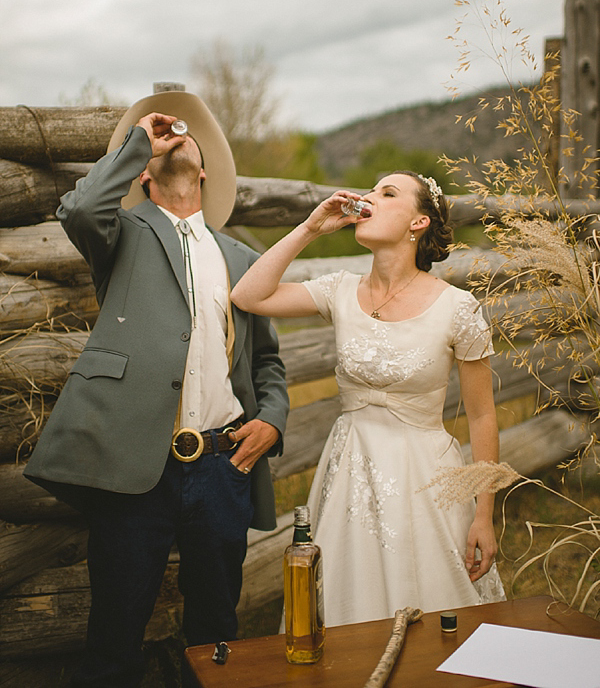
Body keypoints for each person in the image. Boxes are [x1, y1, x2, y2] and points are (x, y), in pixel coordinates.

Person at [24, 87, 288, 687]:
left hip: (225, 468)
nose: (178, 137)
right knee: (115, 637)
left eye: (186, 136)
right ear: (143, 172)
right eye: (164, 139)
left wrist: (272, 419)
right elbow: (79, 209)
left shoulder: (243, 257)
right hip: (135, 467)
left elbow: (268, 363)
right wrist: (139, 141)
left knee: (218, 634)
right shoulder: (119, 233)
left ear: (205, 167)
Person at [231, 171, 505, 627]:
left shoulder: (459, 308)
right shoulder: (338, 289)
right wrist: (310, 227)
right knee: (341, 609)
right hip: (349, 473)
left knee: (438, 612)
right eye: (371, 190)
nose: (368, 198)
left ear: (418, 223)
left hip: (427, 478)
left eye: (387, 193)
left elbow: (481, 417)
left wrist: (484, 514)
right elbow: (248, 295)